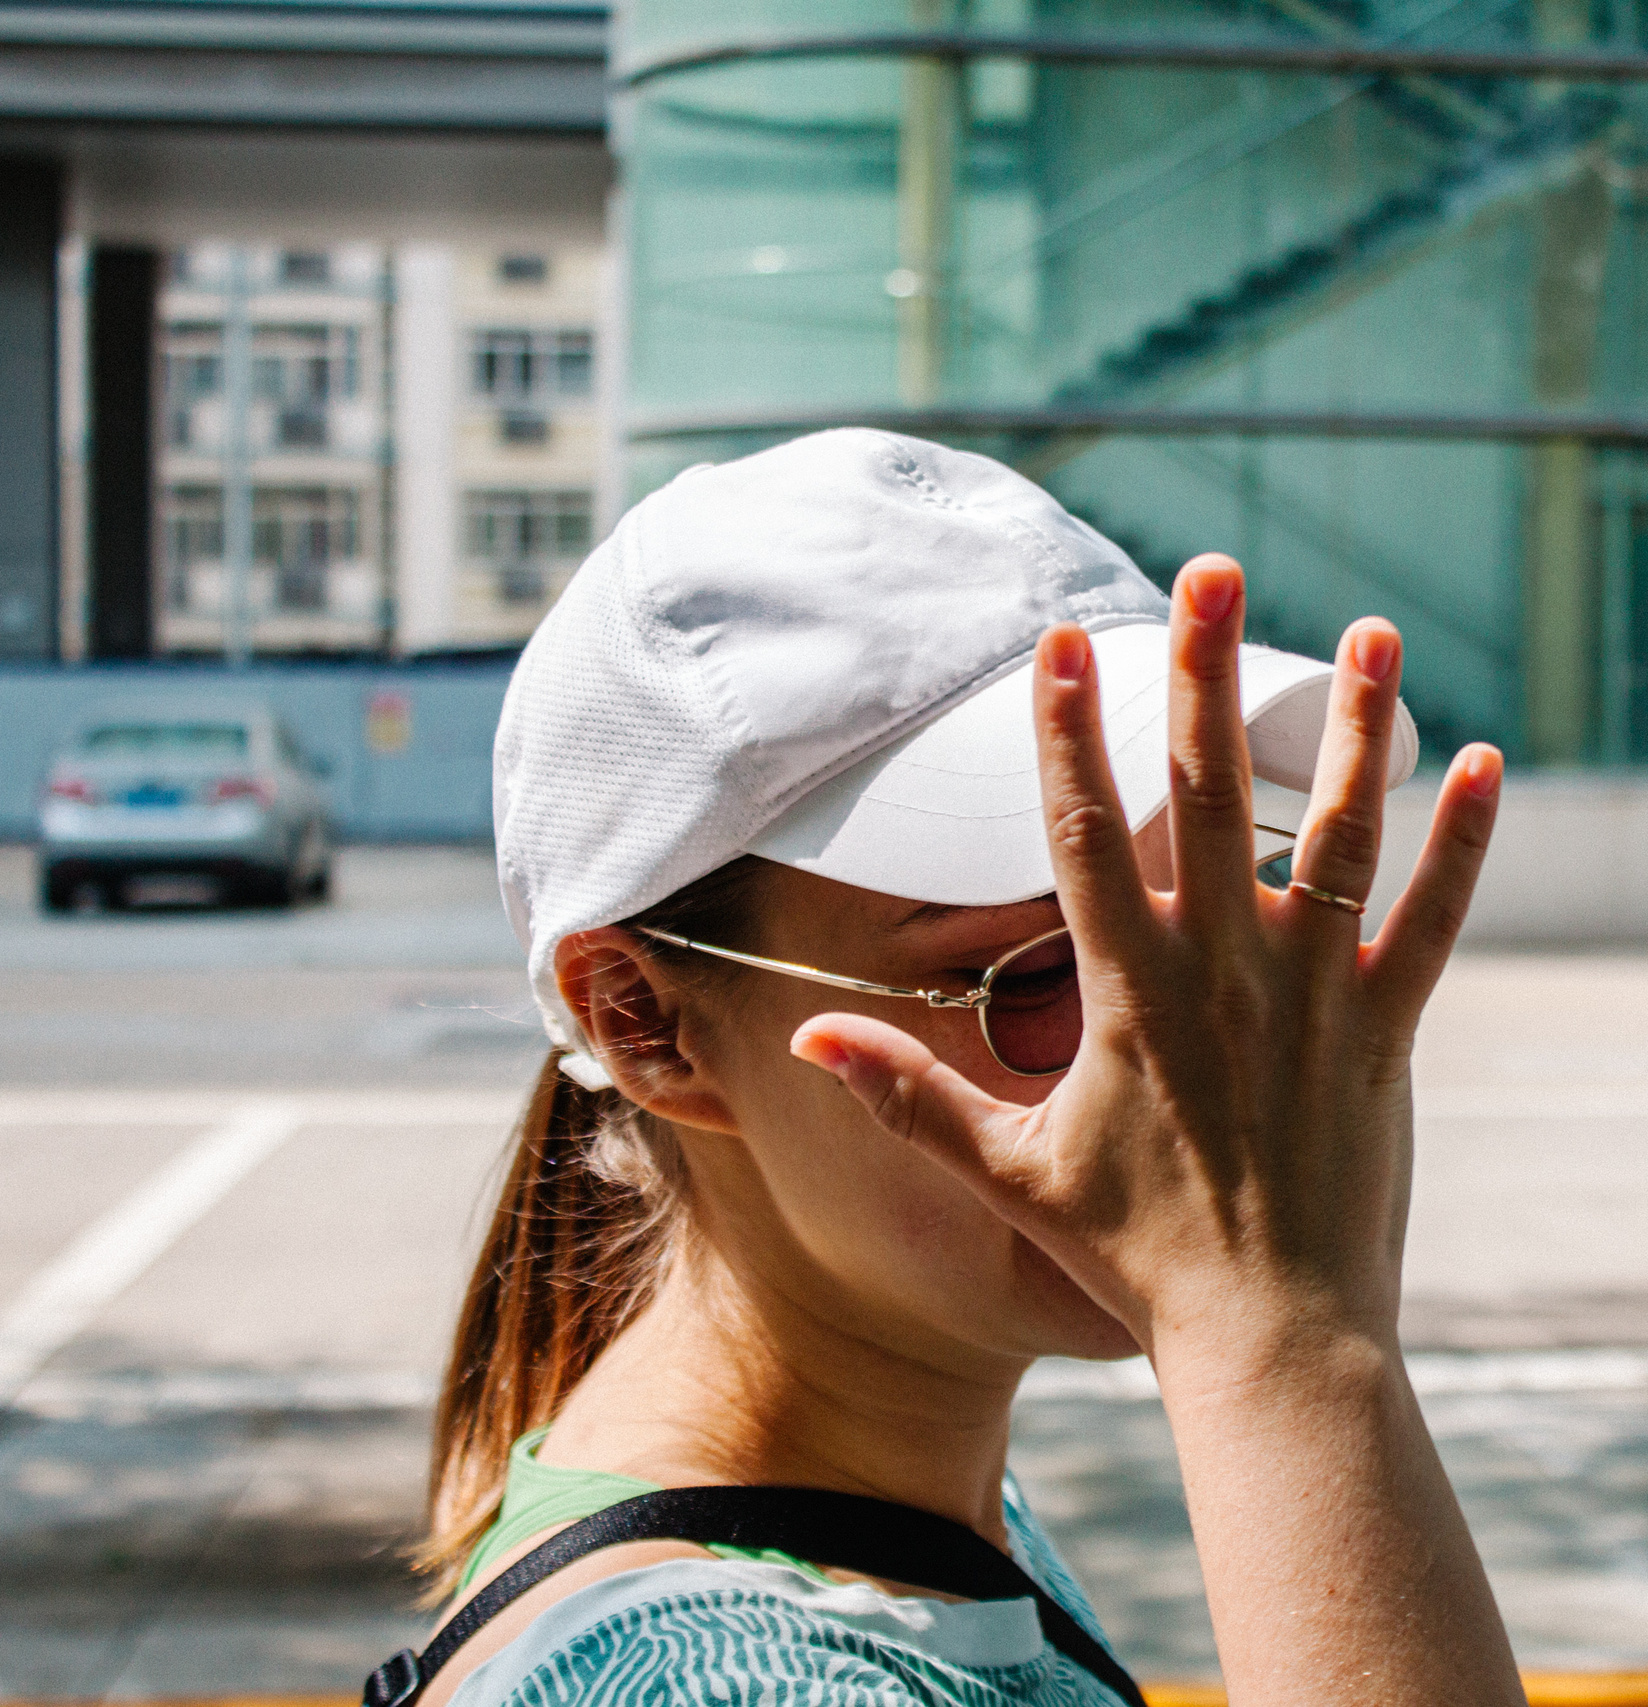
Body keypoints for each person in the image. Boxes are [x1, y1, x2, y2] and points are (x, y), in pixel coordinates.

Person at [404, 430, 1523, 1707]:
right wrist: (1289, 1342)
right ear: (646, 1026)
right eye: (1038, 973)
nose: (1196, 1049)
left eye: (1193, 925)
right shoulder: (715, 1683)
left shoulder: (910, 1514)